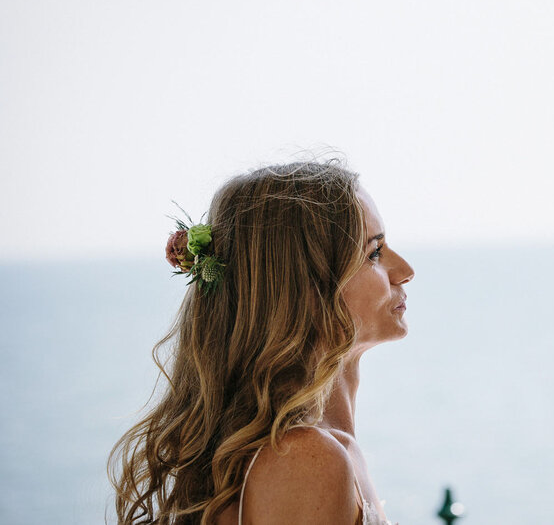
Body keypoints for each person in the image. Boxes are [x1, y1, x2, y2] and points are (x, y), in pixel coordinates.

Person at [109, 160, 414, 525]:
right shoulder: (303, 460)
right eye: (374, 253)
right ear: (304, 289)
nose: (405, 271)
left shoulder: (318, 450)